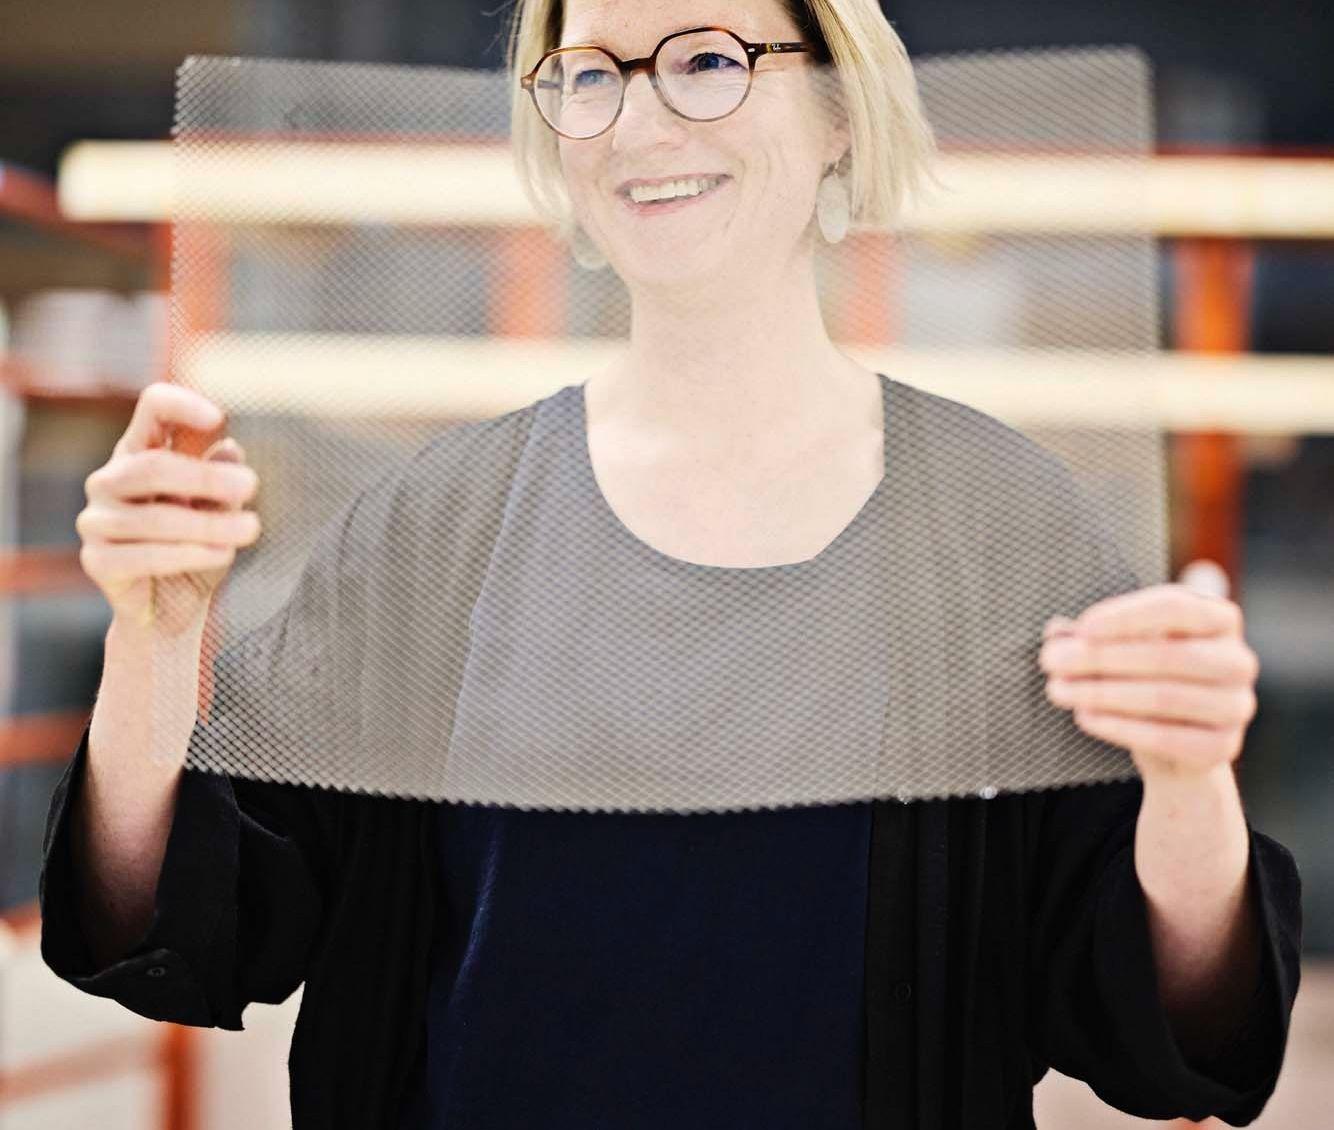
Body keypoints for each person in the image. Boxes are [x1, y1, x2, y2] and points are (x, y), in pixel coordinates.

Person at [39, 1, 1302, 1127]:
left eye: (706, 58)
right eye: (587, 74)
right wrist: (154, 642)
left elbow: (1171, 1033)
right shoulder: (438, 527)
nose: (640, 120)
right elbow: (185, 926)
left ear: (837, 114)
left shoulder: (1001, 526)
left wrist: (1186, 780)